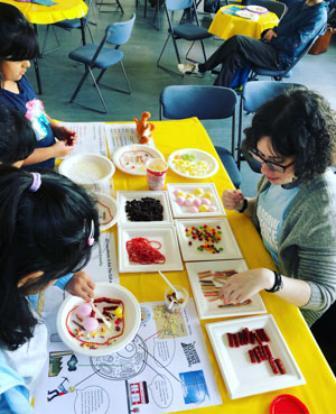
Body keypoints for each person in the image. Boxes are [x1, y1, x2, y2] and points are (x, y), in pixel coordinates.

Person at [220, 88, 336, 326]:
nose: (263, 170)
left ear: (309, 157)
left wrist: (270, 280)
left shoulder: (322, 208)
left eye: (274, 163)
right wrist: (245, 205)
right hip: (259, 268)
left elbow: (323, 294)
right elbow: (273, 218)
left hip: (287, 303)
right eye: (259, 157)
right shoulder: (280, 174)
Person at [0, 166, 99, 413]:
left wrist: (65, 276)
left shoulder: (9, 253)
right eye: (55, 275)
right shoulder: (8, 400)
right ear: (31, 277)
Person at [178, 0, 328, 87]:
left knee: (238, 40)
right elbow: (282, 26)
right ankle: (218, 92)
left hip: (280, 58)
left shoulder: (318, 15)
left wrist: (273, 38)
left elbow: (294, 45)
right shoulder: (300, 3)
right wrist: (271, 31)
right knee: (235, 55)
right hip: (271, 46)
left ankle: (203, 67)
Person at [0, 3, 77, 170]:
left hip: (46, 166)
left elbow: (34, 109)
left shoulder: (16, 79)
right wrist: (52, 151)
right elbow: (9, 161)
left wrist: (54, 126)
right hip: (26, 178)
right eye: (18, 59)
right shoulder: (3, 108)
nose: (27, 65)